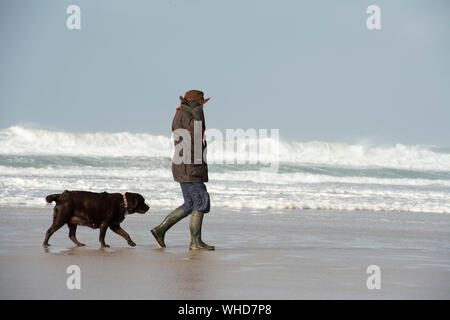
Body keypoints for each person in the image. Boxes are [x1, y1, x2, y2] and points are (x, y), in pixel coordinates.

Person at [151, 90, 214, 250]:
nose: (202, 107)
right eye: (201, 104)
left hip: (182, 165)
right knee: (201, 201)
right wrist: (198, 110)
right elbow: (198, 133)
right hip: (190, 166)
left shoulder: (179, 114)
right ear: (195, 104)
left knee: (190, 203)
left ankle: (161, 229)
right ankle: (195, 242)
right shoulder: (190, 115)